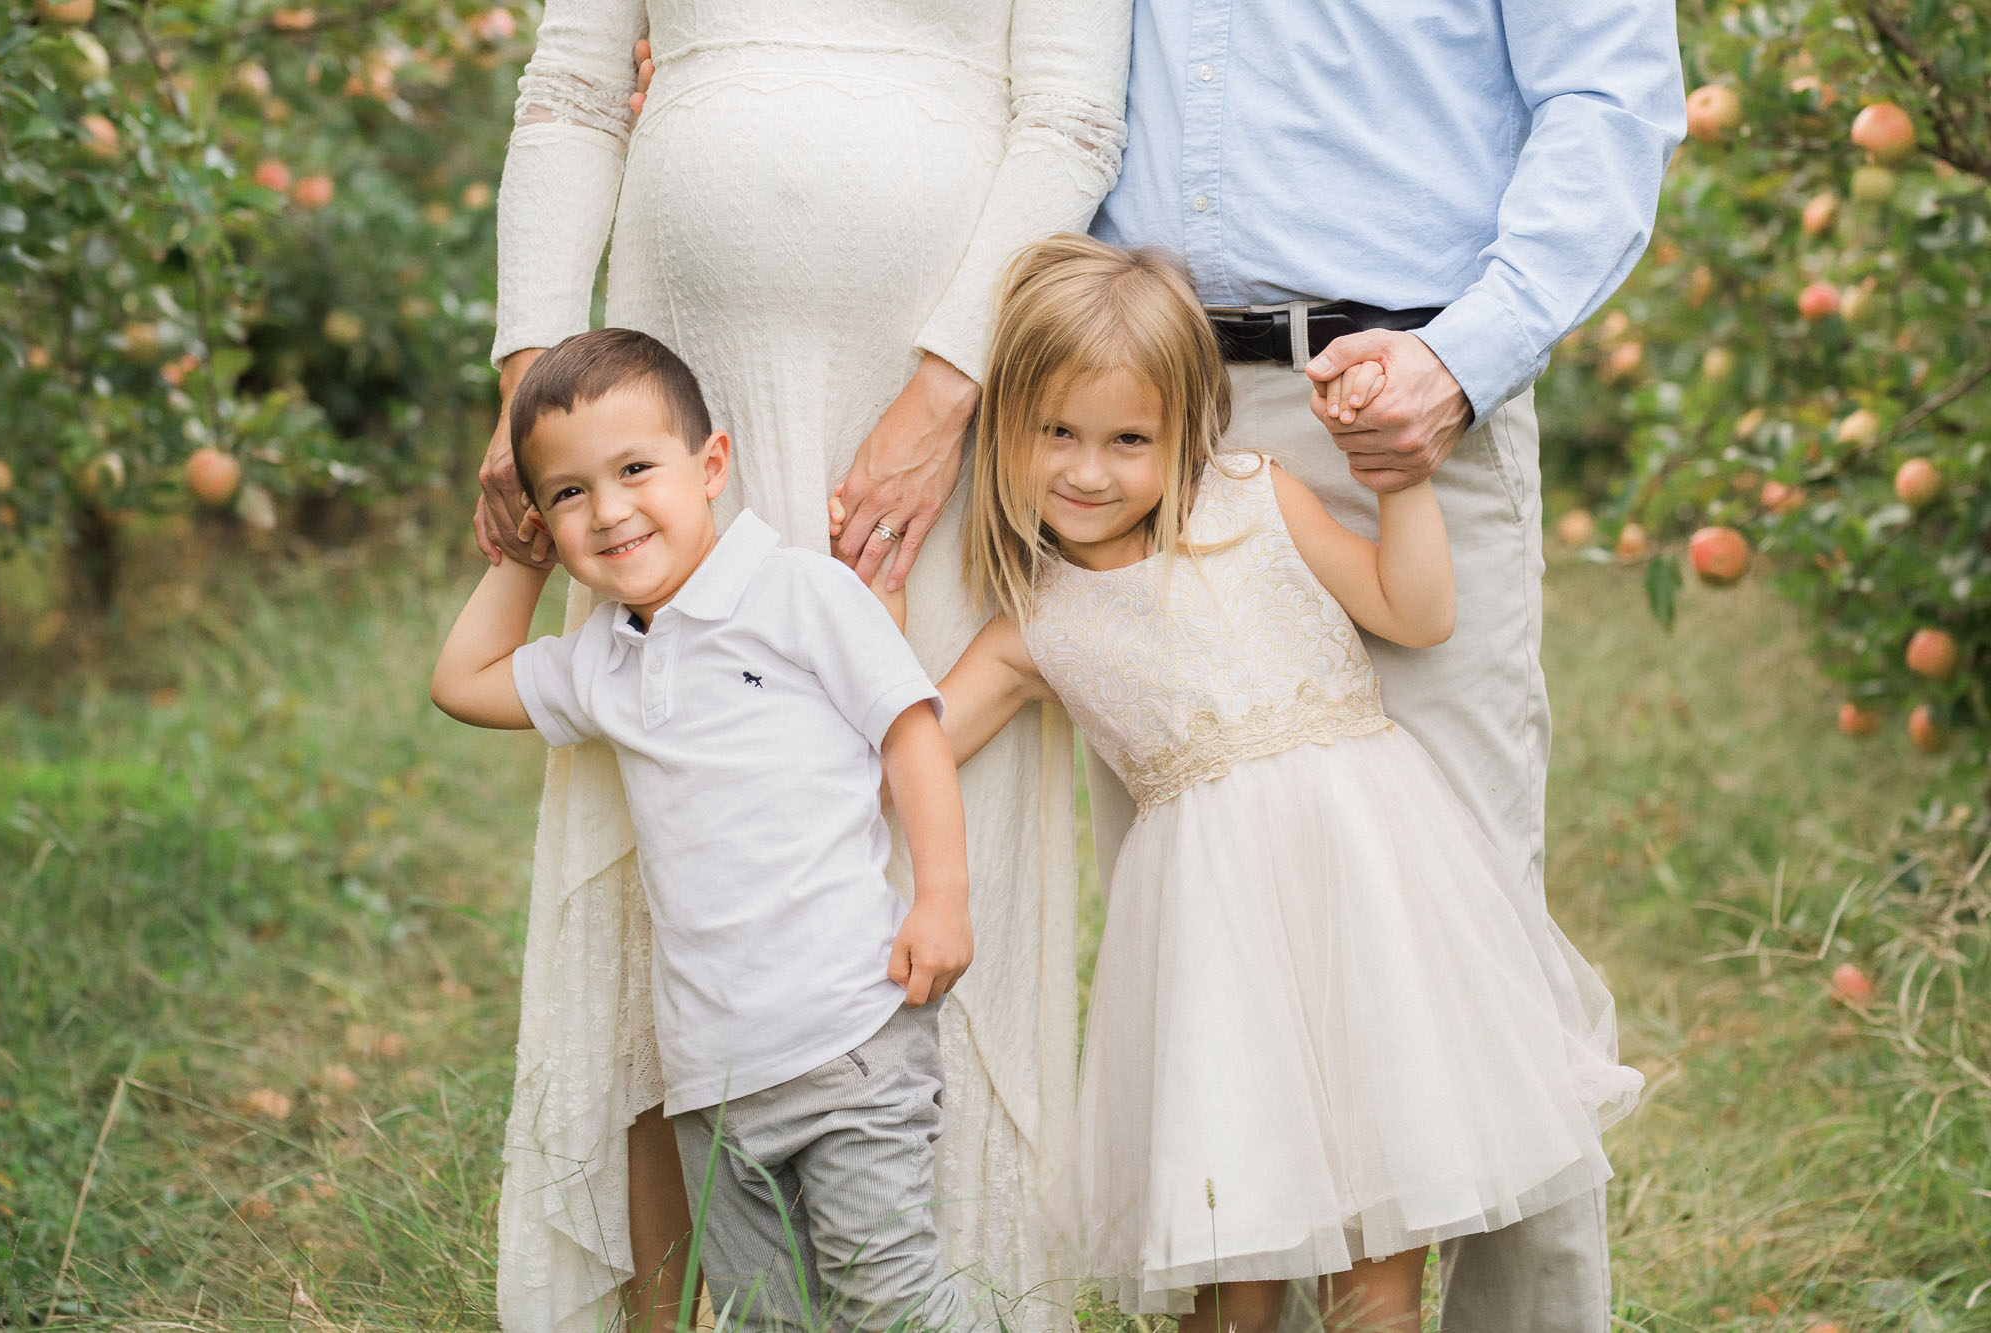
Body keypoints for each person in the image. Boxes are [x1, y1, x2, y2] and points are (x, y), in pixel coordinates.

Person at [838, 235, 1643, 1331]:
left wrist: (1397, 486)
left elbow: (1413, 614)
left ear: (1185, 431)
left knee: (1376, 1259)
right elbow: (913, 750)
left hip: (1362, 898)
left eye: (1127, 439)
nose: (1086, 468)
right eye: (1055, 434)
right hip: (1209, 953)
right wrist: (875, 642)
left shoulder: (1253, 500)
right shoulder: (1034, 622)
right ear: (1006, 430)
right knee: (1231, 1259)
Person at [481, 6, 1130, 1330]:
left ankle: (958, 1297)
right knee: (667, 830)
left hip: (931, 380)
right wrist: (530, 374)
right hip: (681, 371)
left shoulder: (943, 404)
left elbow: (1069, 118)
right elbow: (570, 89)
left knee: (922, 810)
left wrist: (944, 395)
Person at [1083, 3, 1687, 1324]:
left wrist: (1460, 360)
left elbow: (1609, 101)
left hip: (1401, 396)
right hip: (1135, 417)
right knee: (1207, 933)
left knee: (1467, 941)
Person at [434, 329, 987, 1333]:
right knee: (765, 1319)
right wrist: (519, 551)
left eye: (635, 469)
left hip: (850, 1033)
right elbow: (461, 683)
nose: (606, 511)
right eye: (566, 493)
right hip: (712, 1081)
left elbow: (911, 729)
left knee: (895, 1303)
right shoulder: (600, 657)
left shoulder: (795, 591)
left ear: (711, 465)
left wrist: (942, 896)